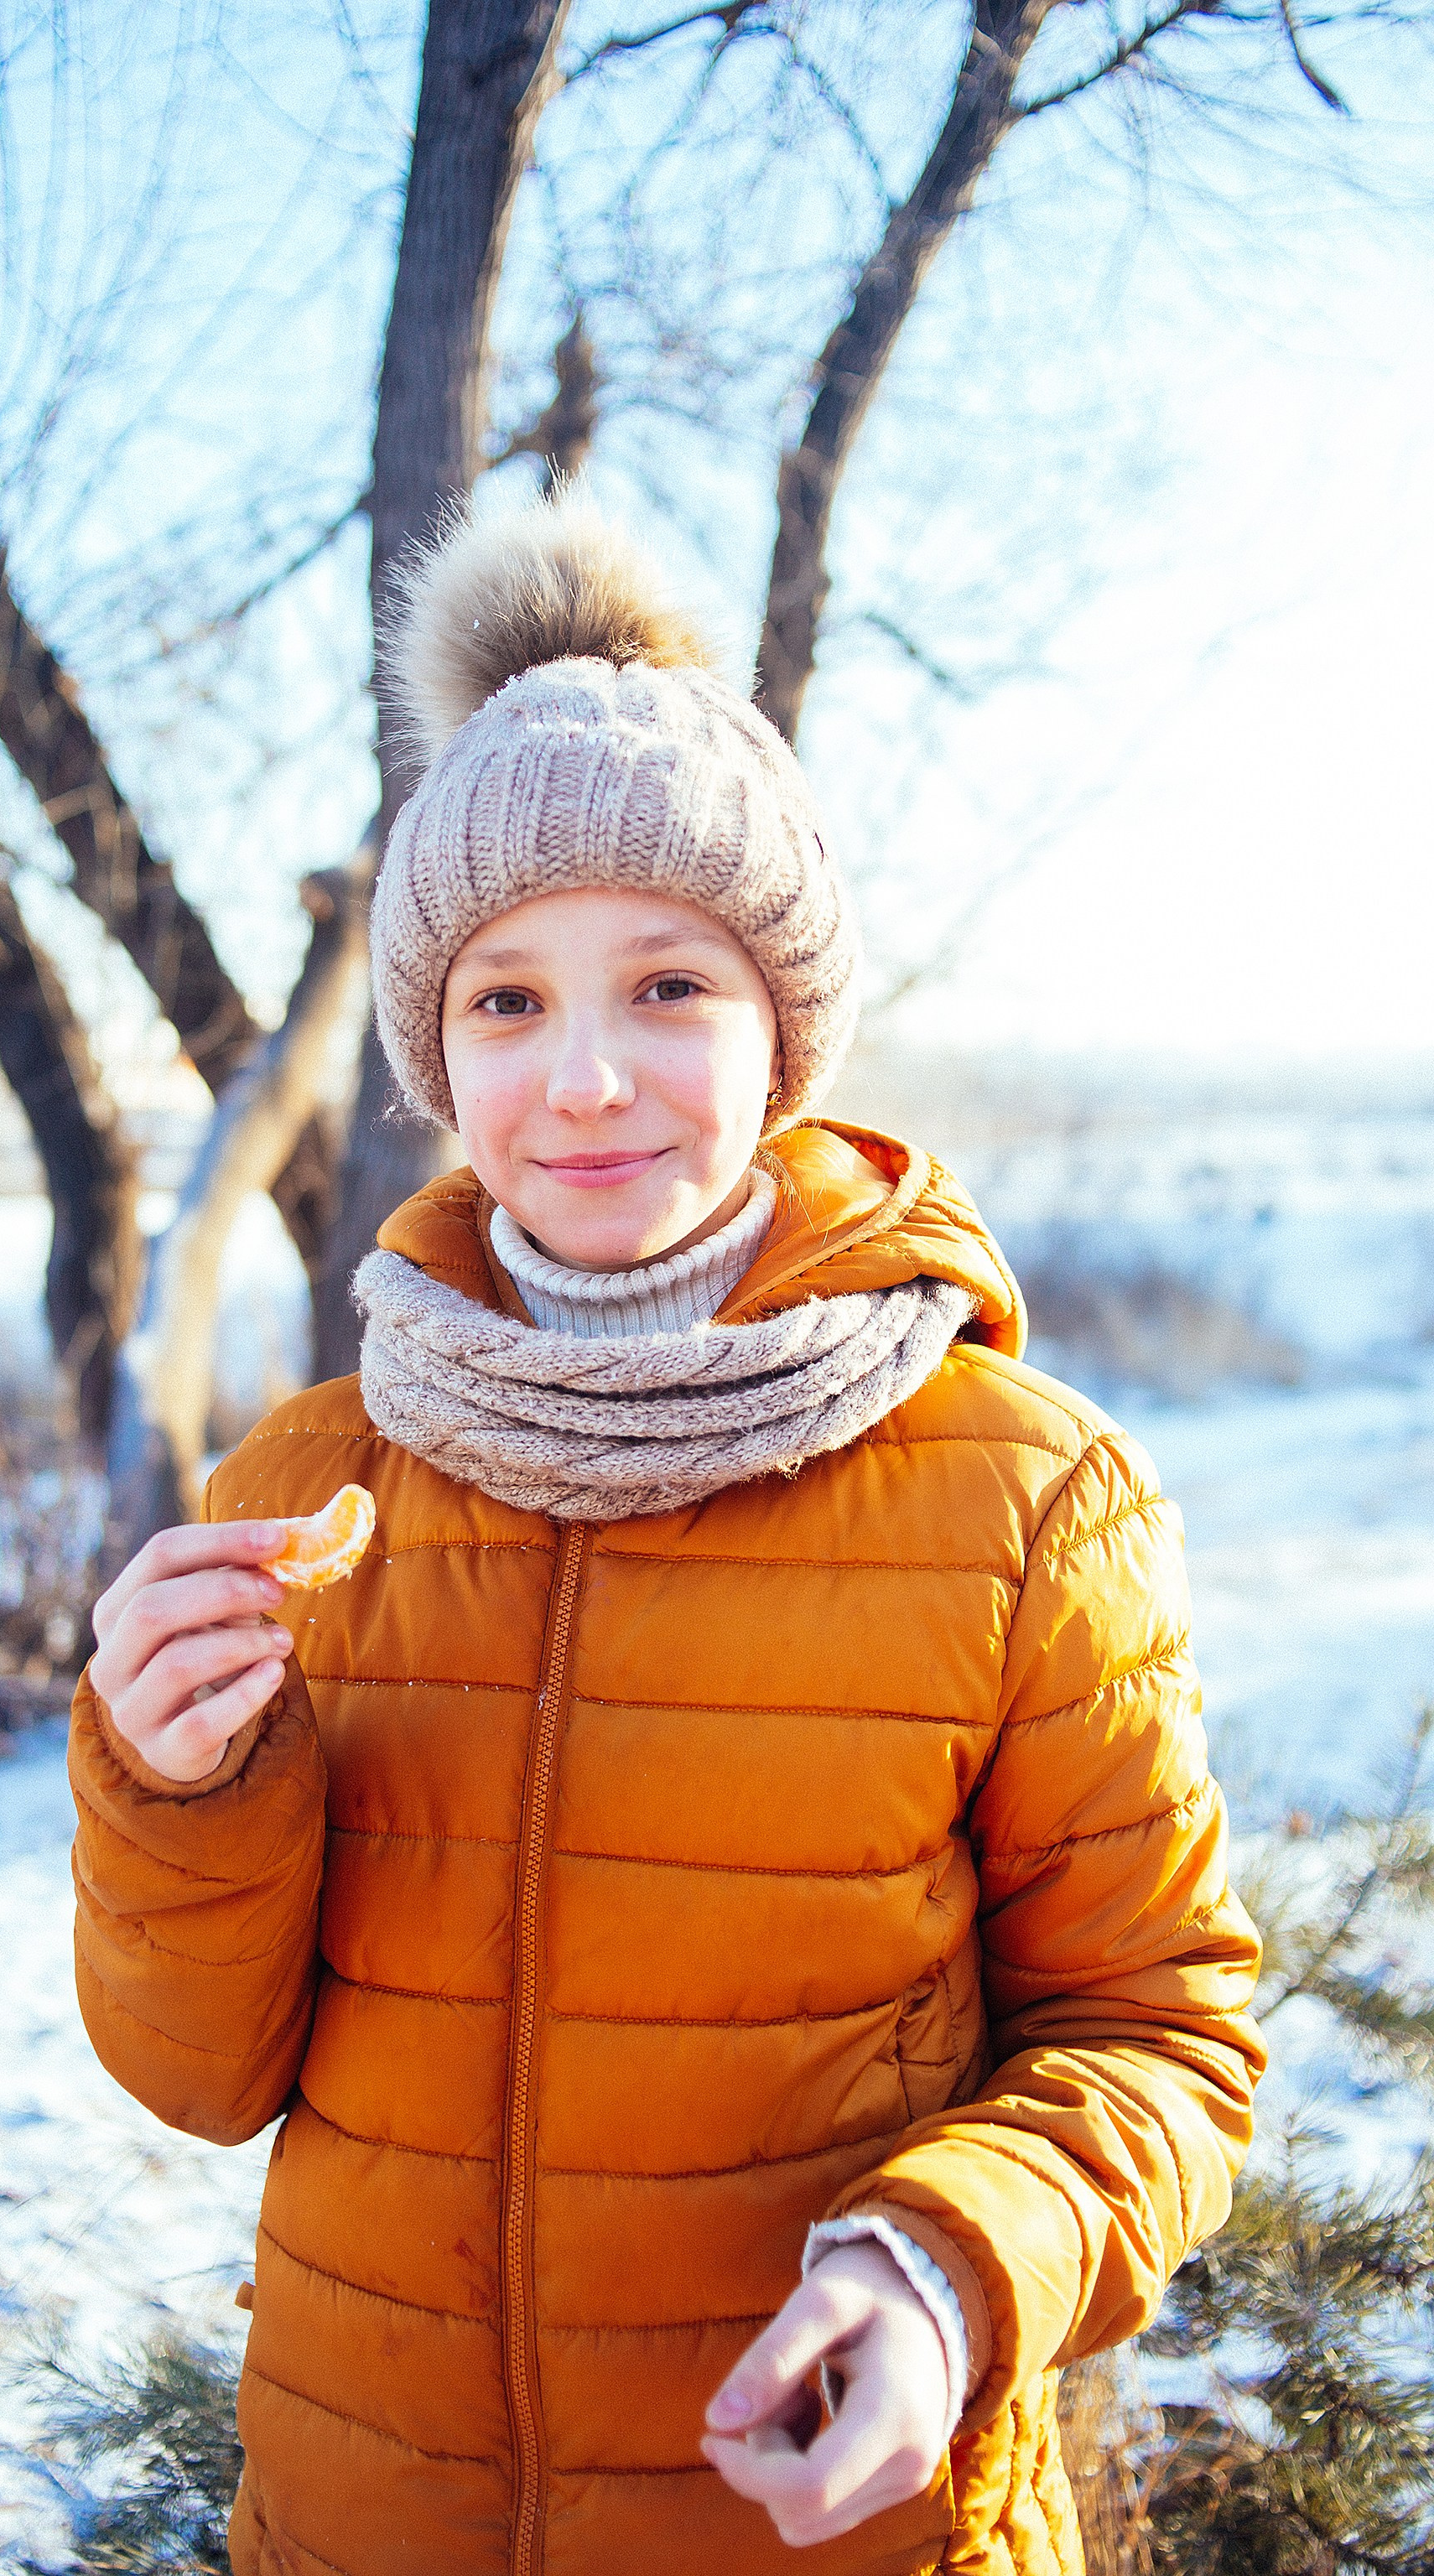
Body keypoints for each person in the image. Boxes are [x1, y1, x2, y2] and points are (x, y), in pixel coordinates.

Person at [70, 494, 1263, 2576]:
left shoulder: (1019, 1493)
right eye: (507, 1003)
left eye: (669, 986)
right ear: (435, 1058)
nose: (588, 1079)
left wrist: (945, 2273)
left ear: (783, 1032)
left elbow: (1159, 2035)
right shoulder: (300, 1492)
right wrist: (175, 1790)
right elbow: (200, 2081)